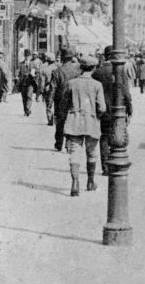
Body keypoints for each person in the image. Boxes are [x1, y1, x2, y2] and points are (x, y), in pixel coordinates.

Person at [63, 56, 106, 196]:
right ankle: (90, 181)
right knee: (92, 152)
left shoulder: (71, 83)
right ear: (93, 68)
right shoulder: (97, 85)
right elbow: (102, 107)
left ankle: (75, 182)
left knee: (74, 153)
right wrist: (96, 115)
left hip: (74, 121)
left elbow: (64, 104)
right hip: (91, 121)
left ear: (81, 67)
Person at [92, 47, 133, 173]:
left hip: (103, 109)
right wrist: (130, 109)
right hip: (118, 109)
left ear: (105, 56)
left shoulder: (97, 72)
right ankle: (116, 160)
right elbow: (126, 93)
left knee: (104, 137)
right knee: (118, 134)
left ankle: (105, 166)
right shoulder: (119, 71)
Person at [51, 49, 82, 151]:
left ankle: (58, 144)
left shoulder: (56, 71)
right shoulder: (77, 72)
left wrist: (49, 103)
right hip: (73, 99)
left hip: (60, 100)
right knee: (71, 121)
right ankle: (68, 144)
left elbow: (53, 89)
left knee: (60, 122)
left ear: (62, 59)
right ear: (71, 58)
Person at [16, 49, 37, 117]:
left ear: (30, 56)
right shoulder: (21, 64)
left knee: (29, 96)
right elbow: (18, 73)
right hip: (23, 83)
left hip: (30, 83)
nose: (27, 57)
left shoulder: (33, 64)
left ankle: (28, 109)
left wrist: (34, 74)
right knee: (24, 97)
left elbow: (37, 72)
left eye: (28, 56)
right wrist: (17, 77)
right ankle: (25, 111)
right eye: (26, 56)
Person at [39, 52, 58, 125]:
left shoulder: (45, 70)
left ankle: (50, 119)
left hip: (48, 88)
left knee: (48, 104)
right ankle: (56, 119)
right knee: (57, 104)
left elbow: (42, 82)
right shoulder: (58, 69)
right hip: (57, 89)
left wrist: (41, 90)